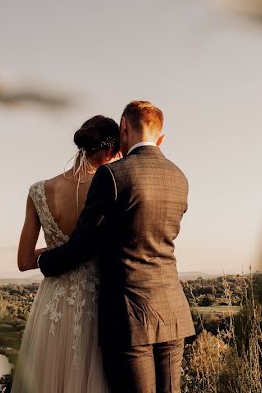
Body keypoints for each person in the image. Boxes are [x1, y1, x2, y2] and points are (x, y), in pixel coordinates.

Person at [37, 100, 194, 393]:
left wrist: (45, 261)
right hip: (172, 313)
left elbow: (82, 247)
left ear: (123, 126)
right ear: (161, 137)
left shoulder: (112, 175)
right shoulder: (179, 177)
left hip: (128, 317)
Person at [12, 115, 121, 393]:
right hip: (99, 303)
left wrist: (57, 249)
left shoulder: (38, 191)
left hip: (53, 307)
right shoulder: (113, 187)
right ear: (110, 151)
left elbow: (24, 262)